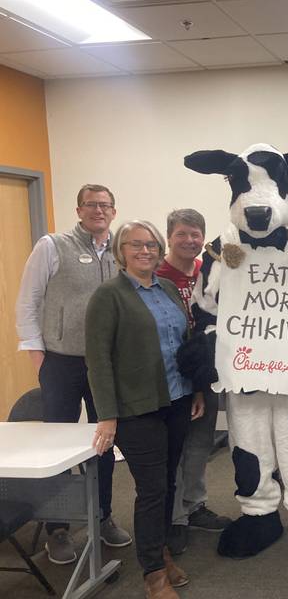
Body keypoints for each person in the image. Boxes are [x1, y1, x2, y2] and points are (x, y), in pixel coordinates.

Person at [86, 220, 204, 599]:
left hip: (177, 399)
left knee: (168, 481)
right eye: (136, 244)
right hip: (137, 408)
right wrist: (107, 415)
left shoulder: (167, 288)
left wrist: (196, 389)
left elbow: (185, 343)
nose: (145, 251)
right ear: (121, 251)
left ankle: (162, 550)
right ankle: (153, 573)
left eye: (151, 244)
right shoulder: (108, 295)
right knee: (152, 489)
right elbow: (98, 360)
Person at [14, 183, 131, 565]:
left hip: (106, 363)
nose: (98, 210)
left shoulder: (121, 250)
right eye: (91, 205)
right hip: (61, 362)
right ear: (79, 210)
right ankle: (58, 529)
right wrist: (39, 357)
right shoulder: (52, 246)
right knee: (57, 445)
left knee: (104, 442)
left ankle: (102, 515)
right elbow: (28, 302)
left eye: (105, 205)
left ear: (113, 211)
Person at [156, 209, 231, 556]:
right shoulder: (156, 275)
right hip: (168, 375)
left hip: (204, 372)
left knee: (200, 444)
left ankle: (195, 504)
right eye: (182, 234)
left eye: (196, 234)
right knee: (173, 448)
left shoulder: (208, 272)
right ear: (169, 237)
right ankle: (175, 518)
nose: (190, 240)